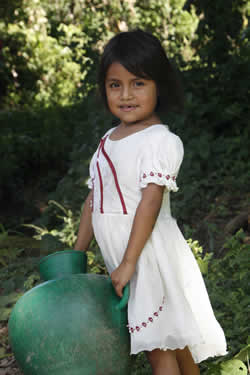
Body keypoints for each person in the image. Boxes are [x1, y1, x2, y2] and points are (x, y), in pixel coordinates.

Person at [74, 29, 227, 375]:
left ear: (160, 85)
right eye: (115, 85)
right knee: (172, 340)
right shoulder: (107, 140)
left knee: (158, 349)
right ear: (104, 89)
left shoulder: (160, 141)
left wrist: (129, 262)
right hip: (127, 258)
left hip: (148, 256)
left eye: (138, 83)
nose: (126, 94)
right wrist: (77, 254)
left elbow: (150, 203)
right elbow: (94, 198)